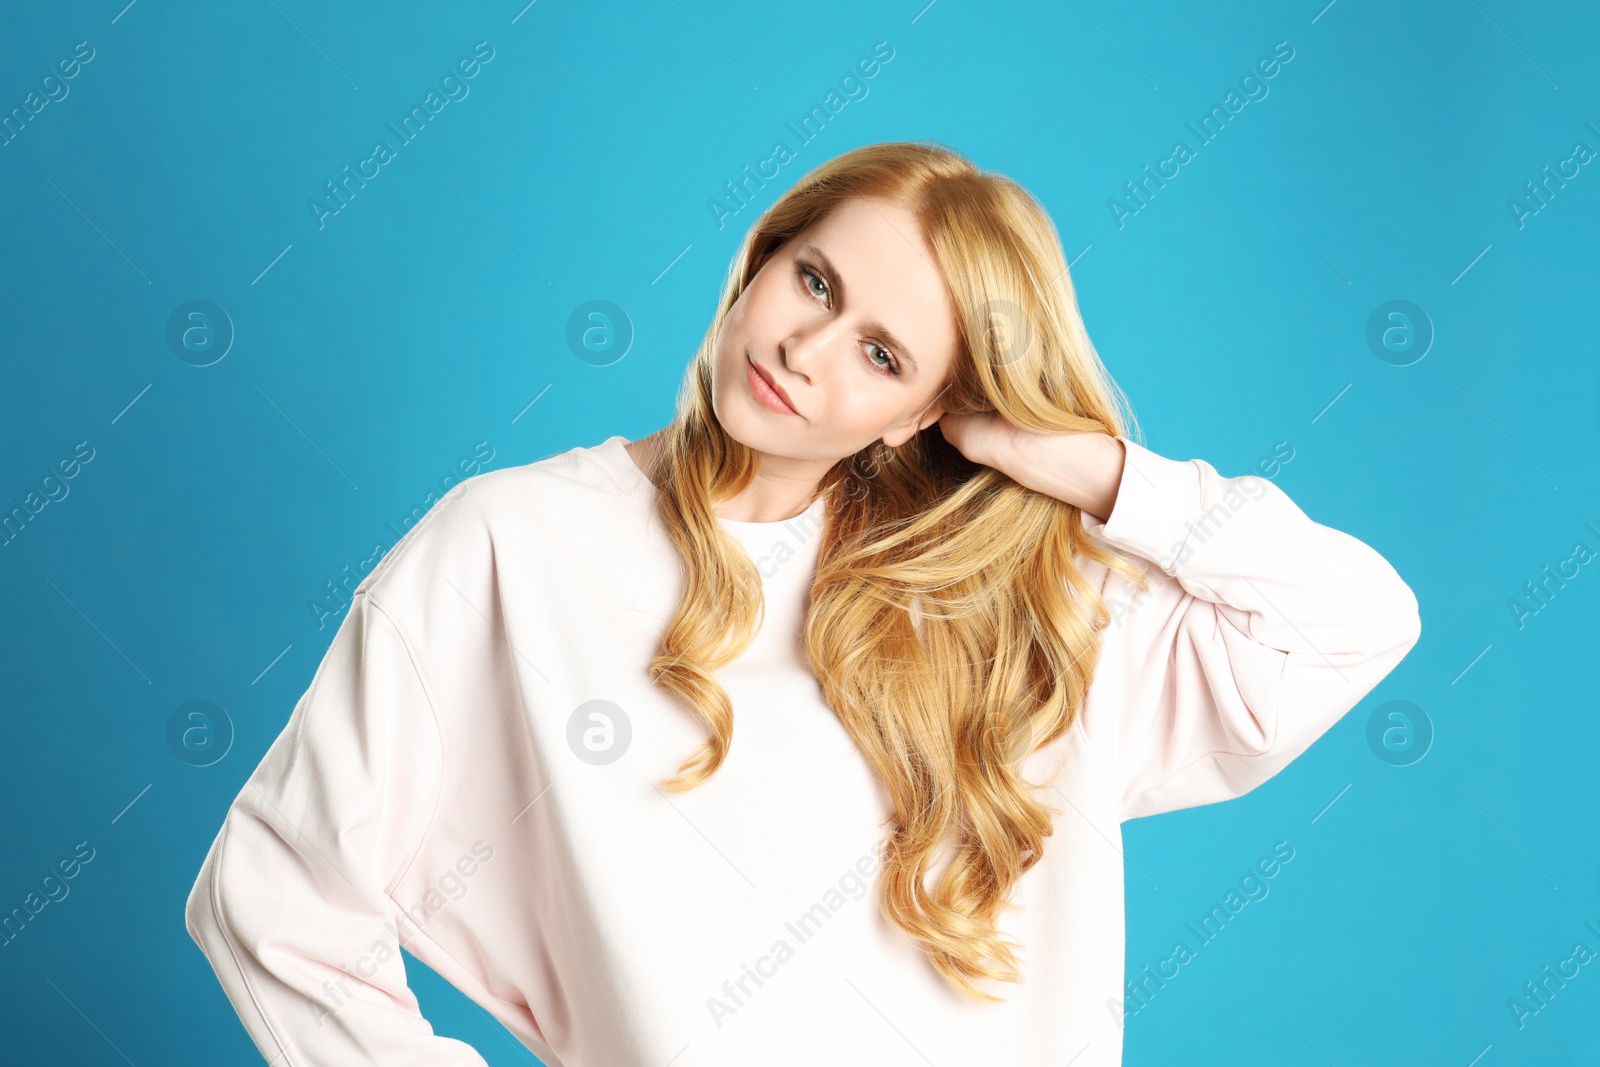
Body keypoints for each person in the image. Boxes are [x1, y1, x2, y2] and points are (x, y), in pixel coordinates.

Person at [185, 141, 1421, 1066]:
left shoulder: (1016, 610)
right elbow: (273, 891)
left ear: (930, 407)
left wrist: (1086, 467)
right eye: (814, 281)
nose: (809, 351)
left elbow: (1351, 619)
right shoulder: (512, 541)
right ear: (762, 258)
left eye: (885, 354)